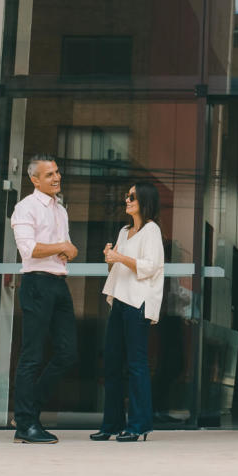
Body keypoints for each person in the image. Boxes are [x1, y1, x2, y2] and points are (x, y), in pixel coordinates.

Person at [9, 155, 79, 444]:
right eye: (48, 174)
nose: (56, 177)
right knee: (32, 355)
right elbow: (29, 250)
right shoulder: (25, 208)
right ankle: (26, 425)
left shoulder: (60, 210)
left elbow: (66, 250)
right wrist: (61, 247)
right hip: (37, 282)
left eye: (57, 172)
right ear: (34, 180)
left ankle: (26, 410)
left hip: (59, 283)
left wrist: (67, 250)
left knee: (68, 353)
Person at [90, 182, 165, 443]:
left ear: (144, 200)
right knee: (111, 362)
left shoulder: (151, 230)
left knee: (136, 364)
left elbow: (151, 266)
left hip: (138, 301)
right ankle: (111, 424)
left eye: (132, 196)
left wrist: (120, 258)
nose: (127, 200)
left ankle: (139, 424)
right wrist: (111, 258)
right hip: (120, 300)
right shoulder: (124, 231)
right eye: (126, 196)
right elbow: (119, 268)